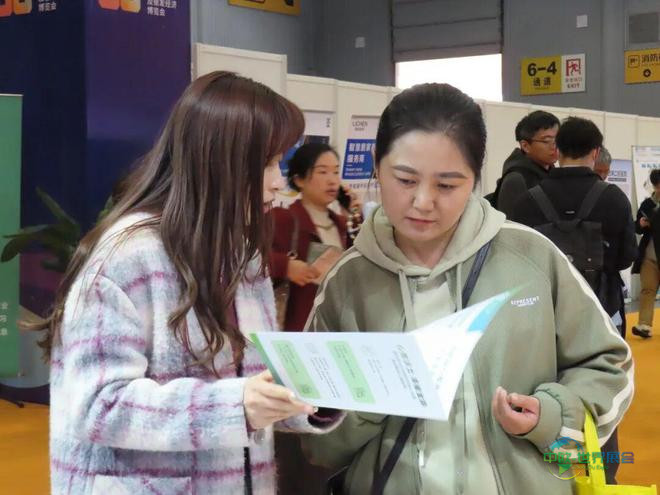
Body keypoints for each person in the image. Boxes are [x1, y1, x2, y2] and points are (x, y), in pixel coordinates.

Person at [301, 83, 633, 494]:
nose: (423, 201)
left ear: (475, 179)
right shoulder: (348, 282)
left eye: (447, 185)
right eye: (405, 179)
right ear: (376, 164)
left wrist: (549, 416)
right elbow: (314, 436)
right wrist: (370, 402)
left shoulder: (531, 258)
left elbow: (609, 364)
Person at [35, 71, 341, 495]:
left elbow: (252, 386)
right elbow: (98, 405)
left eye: (280, 163)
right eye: (267, 163)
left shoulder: (242, 255)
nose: (278, 181)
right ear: (217, 161)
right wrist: (236, 406)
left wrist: (314, 393)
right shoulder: (127, 257)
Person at [511, 120, 636, 334]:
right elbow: (626, 257)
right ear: (595, 152)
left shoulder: (527, 201)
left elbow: (518, 260)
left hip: (546, 311)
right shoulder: (614, 199)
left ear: (557, 150)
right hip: (602, 308)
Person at [270, 143, 354, 332]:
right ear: (299, 179)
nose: (332, 180)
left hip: (335, 329)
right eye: (323, 172)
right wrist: (285, 266)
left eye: (336, 172)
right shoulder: (283, 220)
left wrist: (353, 213)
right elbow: (247, 262)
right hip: (297, 331)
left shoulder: (342, 224)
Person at [489, 110, 559, 217]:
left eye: (558, 139)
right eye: (546, 141)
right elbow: (511, 224)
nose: (554, 146)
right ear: (525, 146)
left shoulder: (553, 174)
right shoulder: (516, 179)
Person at [631, 168, 660, 339]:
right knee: (647, 289)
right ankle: (644, 325)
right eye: (657, 185)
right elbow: (636, 227)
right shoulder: (647, 204)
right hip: (649, 255)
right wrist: (640, 224)